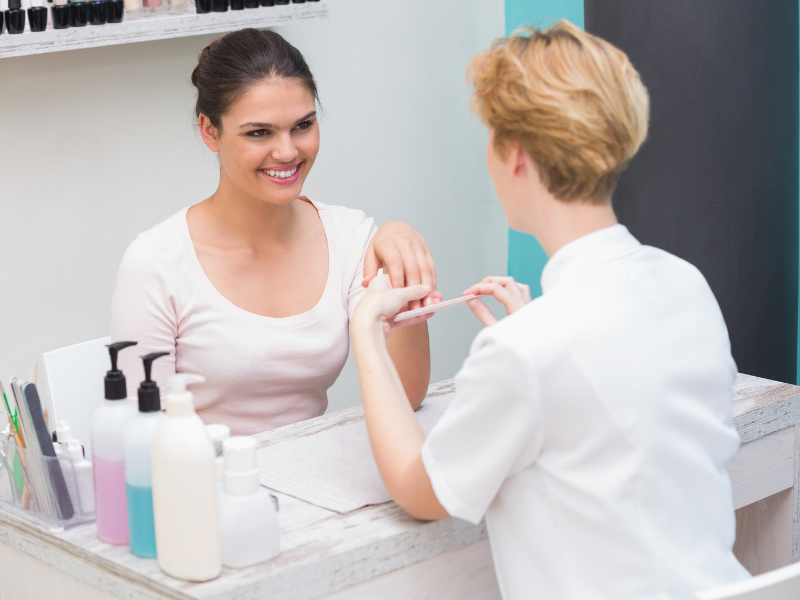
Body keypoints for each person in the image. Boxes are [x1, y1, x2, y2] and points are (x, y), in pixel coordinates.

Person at [351, 21, 750, 599]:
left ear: (515, 155)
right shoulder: (685, 284)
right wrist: (531, 332)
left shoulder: (527, 350)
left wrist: (366, 330)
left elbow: (420, 492)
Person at [111, 29, 440, 436]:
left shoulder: (350, 237)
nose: (287, 152)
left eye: (302, 125)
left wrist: (401, 256)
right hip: (198, 483)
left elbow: (405, 396)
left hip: (310, 475)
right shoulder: (156, 262)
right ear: (209, 131)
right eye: (259, 132)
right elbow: (140, 437)